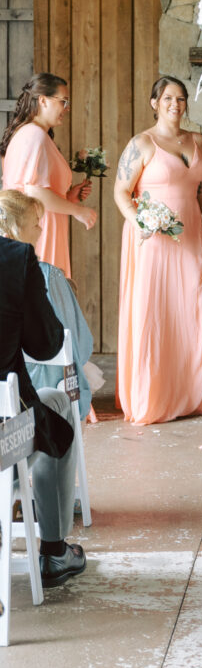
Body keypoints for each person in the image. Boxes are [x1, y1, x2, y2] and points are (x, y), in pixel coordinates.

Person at [114, 76, 202, 425]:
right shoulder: (141, 143)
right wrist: (140, 222)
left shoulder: (199, 141)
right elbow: (121, 192)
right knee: (154, 313)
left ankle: (189, 397)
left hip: (190, 237)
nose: (176, 104)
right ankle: (152, 398)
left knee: (189, 309)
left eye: (181, 98)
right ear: (154, 102)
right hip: (153, 244)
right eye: (168, 98)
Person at [0, 200, 85, 587]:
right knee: (59, 404)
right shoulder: (17, 259)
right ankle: (54, 552)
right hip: (5, 438)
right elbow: (47, 346)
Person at [0, 190, 93, 420]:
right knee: (63, 402)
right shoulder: (46, 274)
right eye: (35, 224)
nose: (41, 230)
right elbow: (71, 344)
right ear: (15, 229)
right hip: (24, 394)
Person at [0, 73, 97, 278]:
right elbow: (34, 192)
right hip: (38, 227)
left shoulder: (32, 134)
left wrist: (67, 197)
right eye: (63, 101)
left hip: (41, 223)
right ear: (42, 100)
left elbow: (38, 189)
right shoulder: (34, 135)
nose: (67, 108)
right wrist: (77, 210)